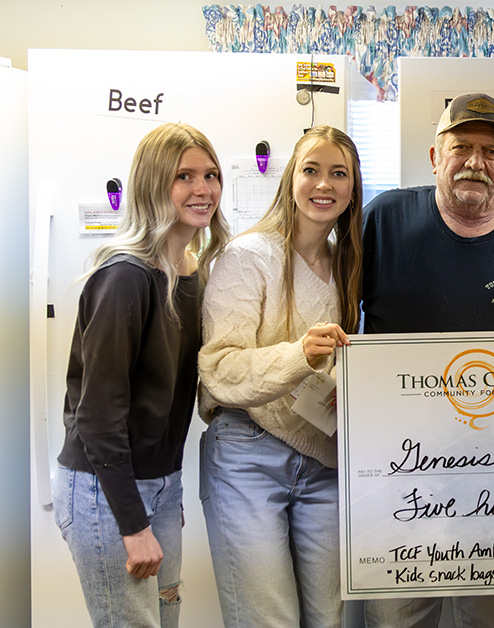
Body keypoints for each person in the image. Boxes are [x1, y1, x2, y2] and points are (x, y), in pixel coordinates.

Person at [361, 92, 494, 628]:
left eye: (491, 151)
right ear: (436, 156)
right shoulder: (384, 220)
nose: (476, 162)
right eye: (461, 148)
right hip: (397, 477)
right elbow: (335, 315)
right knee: (395, 620)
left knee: (488, 622)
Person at [53, 122, 231, 628]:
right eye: (184, 176)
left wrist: (167, 489)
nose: (203, 189)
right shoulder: (125, 278)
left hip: (159, 484)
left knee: (164, 618)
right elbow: (98, 415)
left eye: (211, 175)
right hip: (104, 489)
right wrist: (133, 523)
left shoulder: (192, 272)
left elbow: (174, 399)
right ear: (153, 185)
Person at [197, 125, 362, 628]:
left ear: (353, 189)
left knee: (328, 619)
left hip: (324, 459)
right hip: (247, 453)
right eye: (312, 169)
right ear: (291, 176)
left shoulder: (346, 266)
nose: (324, 184)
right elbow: (218, 368)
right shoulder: (248, 256)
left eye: (339, 173)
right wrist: (298, 356)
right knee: (269, 620)